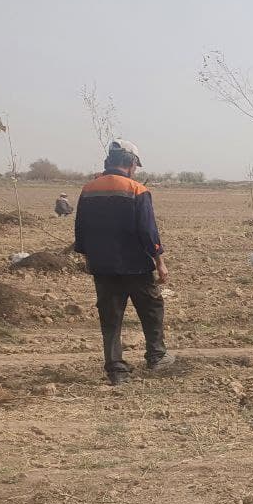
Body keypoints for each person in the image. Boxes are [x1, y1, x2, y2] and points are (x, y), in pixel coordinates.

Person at [74, 139, 173, 385]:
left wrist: (90, 258)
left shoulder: (88, 189)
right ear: (130, 163)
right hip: (136, 265)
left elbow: (81, 230)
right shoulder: (137, 190)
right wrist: (159, 261)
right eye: (136, 166)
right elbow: (148, 232)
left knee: (110, 317)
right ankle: (157, 357)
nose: (136, 171)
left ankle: (115, 369)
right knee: (151, 309)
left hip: (102, 266)